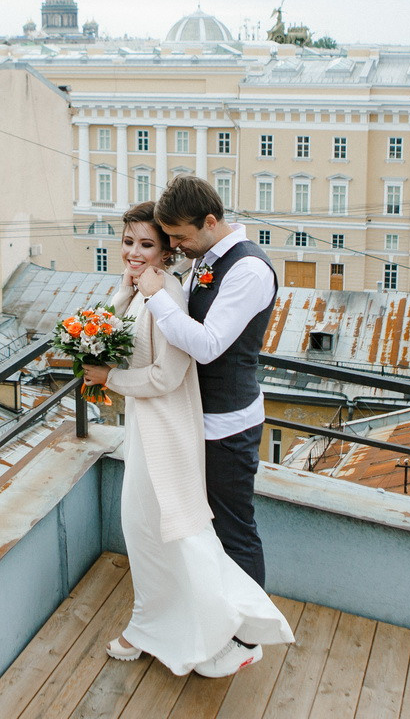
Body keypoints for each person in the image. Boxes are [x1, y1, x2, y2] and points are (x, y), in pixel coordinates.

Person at [82, 201, 292, 679]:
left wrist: (110, 378)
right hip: (146, 426)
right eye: (128, 242)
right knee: (149, 534)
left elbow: (171, 373)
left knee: (192, 536)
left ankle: (241, 634)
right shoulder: (148, 285)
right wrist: (126, 286)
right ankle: (159, 627)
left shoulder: (173, 293)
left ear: (172, 248)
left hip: (176, 431)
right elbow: (114, 328)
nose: (135, 252)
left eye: (150, 244)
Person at [134, 175, 277, 589]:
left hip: (228, 425)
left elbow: (209, 345)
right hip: (200, 416)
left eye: (179, 236)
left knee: (234, 529)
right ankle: (220, 618)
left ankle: (247, 638)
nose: (174, 245)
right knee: (206, 528)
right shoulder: (206, 258)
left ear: (210, 221)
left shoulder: (248, 270)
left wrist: (155, 296)